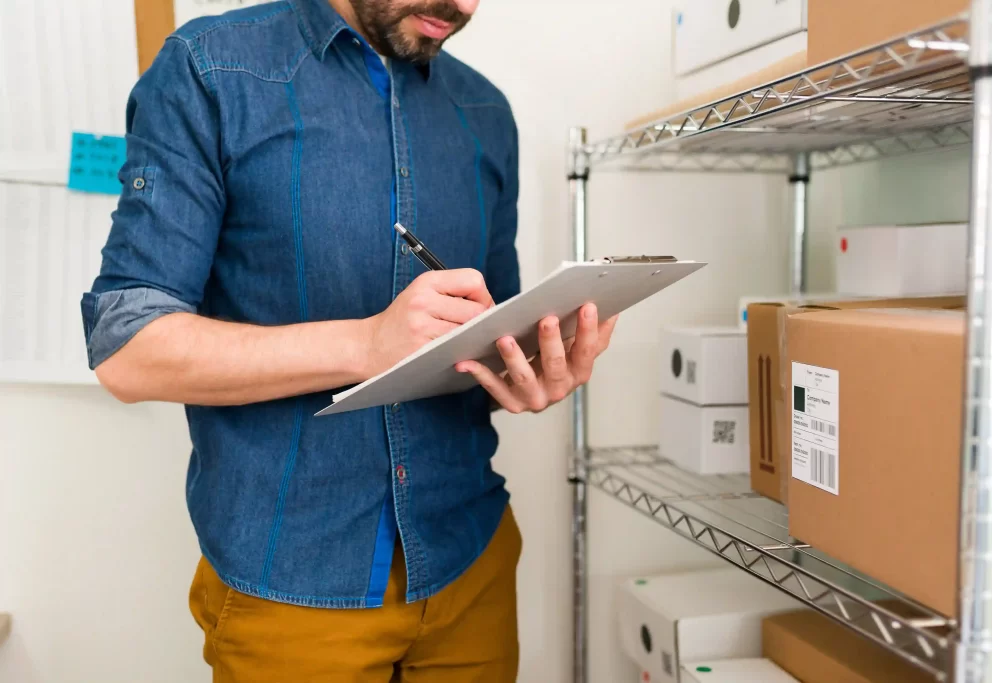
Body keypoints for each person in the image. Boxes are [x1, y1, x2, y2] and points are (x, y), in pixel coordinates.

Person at [80, 0, 617, 681]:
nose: (465, 6)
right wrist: (367, 344)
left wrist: (528, 368)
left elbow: (488, 328)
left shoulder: (487, 113)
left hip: (471, 562)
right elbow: (127, 348)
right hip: (291, 589)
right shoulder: (210, 71)